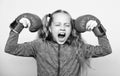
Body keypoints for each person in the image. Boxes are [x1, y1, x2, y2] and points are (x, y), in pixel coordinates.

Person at [5, 10, 112, 76]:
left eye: (66, 25)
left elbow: (105, 49)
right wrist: (18, 26)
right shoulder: (38, 45)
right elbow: (10, 48)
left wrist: (98, 30)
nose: (62, 28)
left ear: (71, 28)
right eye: (57, 25)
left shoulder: (79, 47)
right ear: (50, 28)